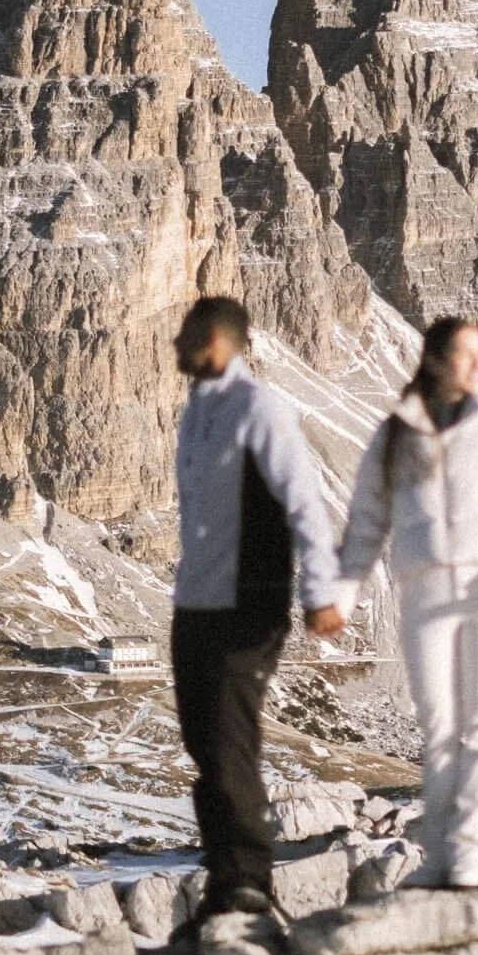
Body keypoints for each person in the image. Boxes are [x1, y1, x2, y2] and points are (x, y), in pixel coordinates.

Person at [338, 316, 478, 889]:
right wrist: (344, 593)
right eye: (468, 354)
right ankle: (438, 851)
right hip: (425, 590)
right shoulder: (397, 435)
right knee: (437, 726)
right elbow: (367, 519)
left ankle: (474, 853)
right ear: (437, 360)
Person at [171, 295, 345, 918]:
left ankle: (247, 881)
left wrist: (319, 593)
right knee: (202, 743)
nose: (175, 343)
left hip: (248, 600)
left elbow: (303, 500)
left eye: (187, 333)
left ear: (216, 342)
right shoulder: (195, 413)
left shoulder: (257, 408)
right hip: (195, 602)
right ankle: (224, 877)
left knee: (229, 741)